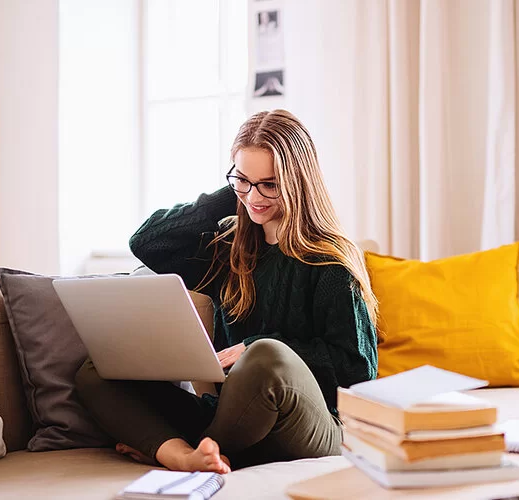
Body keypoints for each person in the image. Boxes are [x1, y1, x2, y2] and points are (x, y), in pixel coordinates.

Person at [75, 109, 379, 474]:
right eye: (242, 180)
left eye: (270, 184)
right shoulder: (228, 249)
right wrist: (233, 192)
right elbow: (147, 242)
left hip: (314, 424)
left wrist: (255, 347)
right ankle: (188, 455)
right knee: (97, 371)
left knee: (267, 356)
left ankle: (192, 449)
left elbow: (358, 371)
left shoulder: (330, 261)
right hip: (231, 416)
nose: (255, 197)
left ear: (298, 182)